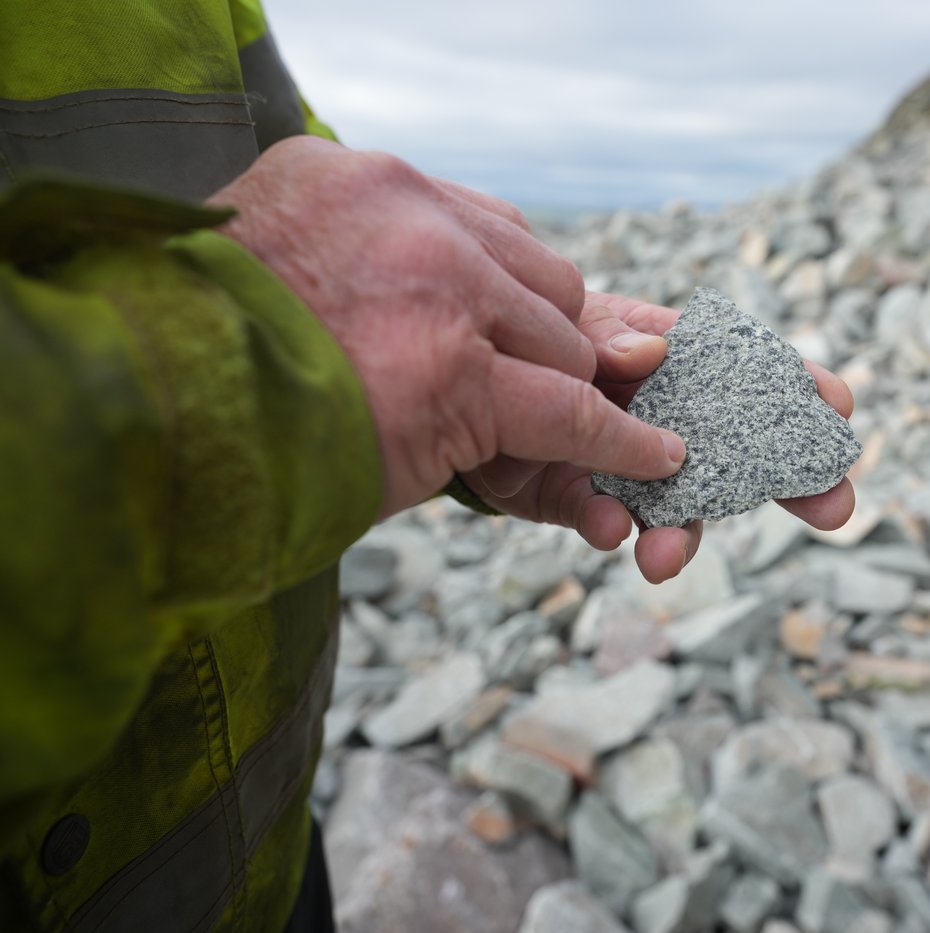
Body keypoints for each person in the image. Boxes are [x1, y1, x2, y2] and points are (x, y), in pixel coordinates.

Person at [0, 2, 856, 931]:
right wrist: (250, 368)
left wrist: (462, 370)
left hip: (261, 850)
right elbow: (285, 290)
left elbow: (301, 199)